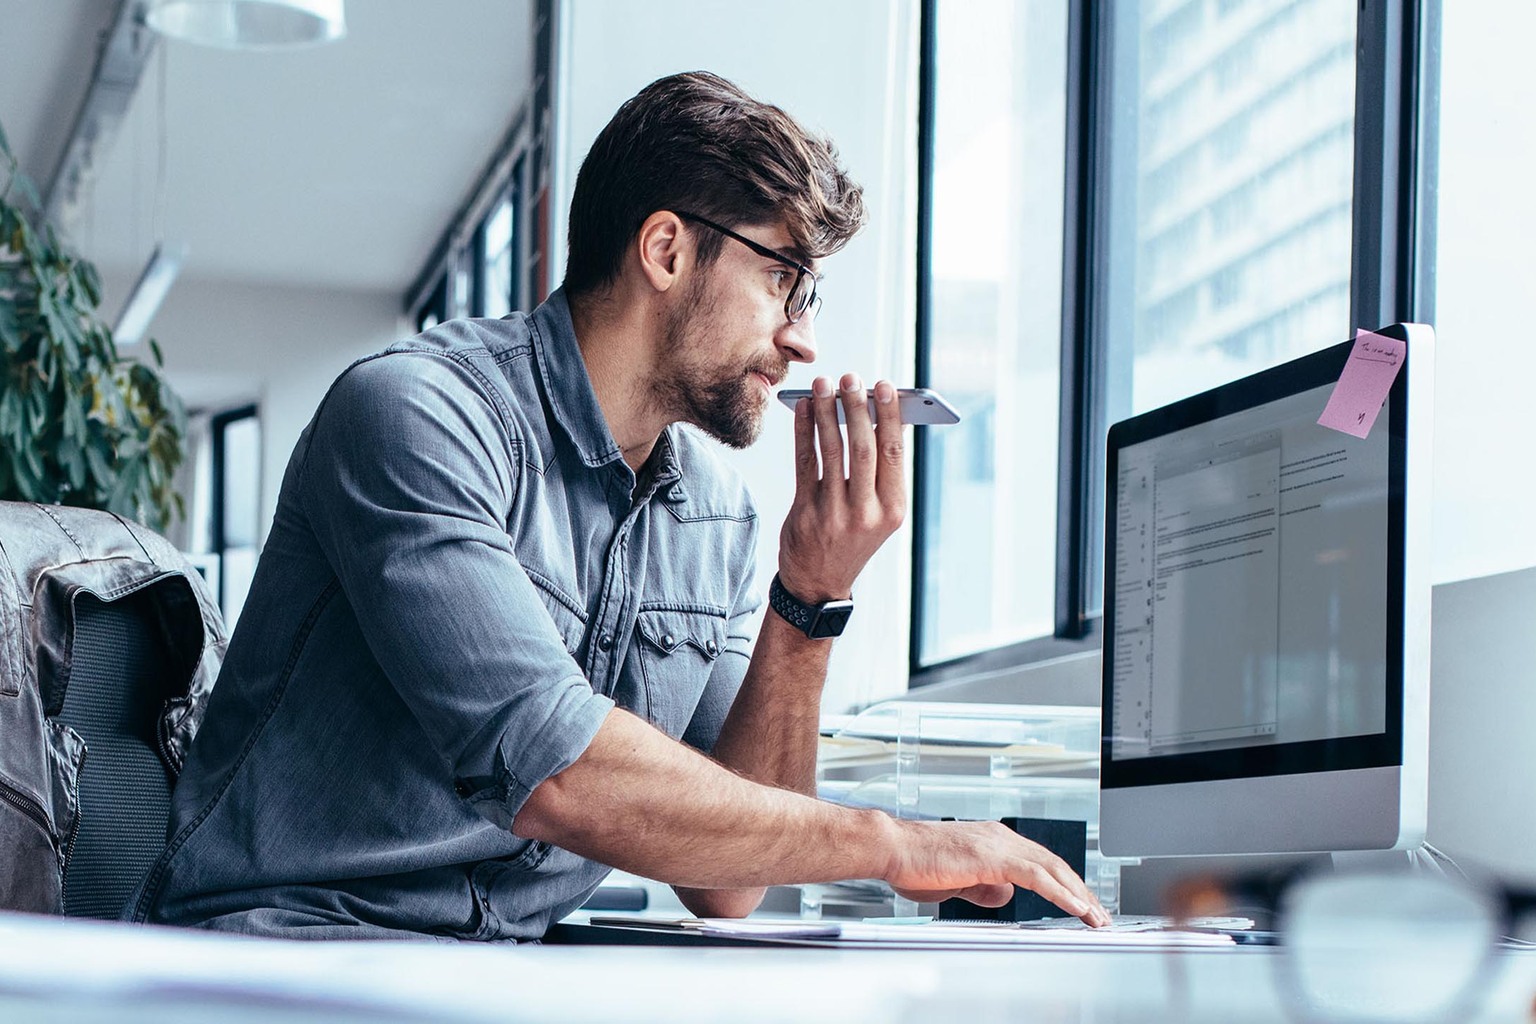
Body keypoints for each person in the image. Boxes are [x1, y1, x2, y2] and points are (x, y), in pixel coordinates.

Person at [130, 71, 1109, 940]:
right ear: (668, 250)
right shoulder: (417, 416)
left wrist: (810, 596)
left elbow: (728, 889)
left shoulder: (714, 517)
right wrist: (892, 843)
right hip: (286, 945)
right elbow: (558, 769)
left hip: (494, 970)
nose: (803, 339)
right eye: (786, 281)